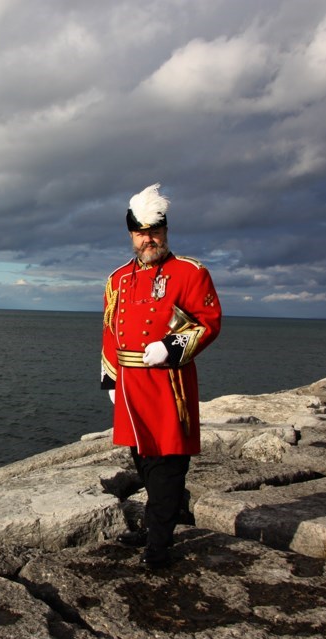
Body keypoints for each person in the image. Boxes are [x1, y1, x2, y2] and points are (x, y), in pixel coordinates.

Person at [101, 183, 221, 569]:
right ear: (131, 235)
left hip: (168, 384)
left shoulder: (190, 273)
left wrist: (170, 347)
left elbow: (208, 323)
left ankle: (159, 547)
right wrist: (110, 377)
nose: (148, 239)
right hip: (132, 385)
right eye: (140, 233)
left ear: (166, 231)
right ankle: (157, 526)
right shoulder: (118, 278)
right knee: (142, 458)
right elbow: (109, 328)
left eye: (155, 231)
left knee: (169, 463)